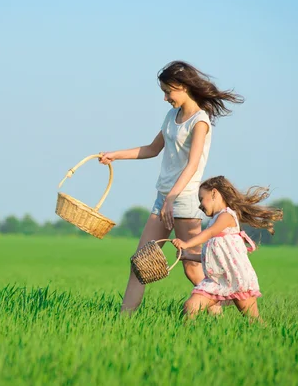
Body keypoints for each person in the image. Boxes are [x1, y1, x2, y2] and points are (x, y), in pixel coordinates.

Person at [98, 61, 244, 313]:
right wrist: (114, 155)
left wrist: (171, 199)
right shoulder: (171, 117)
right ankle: (122, 321)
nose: (165, 98)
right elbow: (152, 149)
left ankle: (219, 314)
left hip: (186, 201)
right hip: (163, 198)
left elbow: (192, 165)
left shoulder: (200, 121)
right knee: (140, 262)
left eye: (168, 91)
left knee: (192, 266)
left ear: (184, 87)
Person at [171, 176, 283, 321]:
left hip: (236, 278)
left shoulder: (226, 216)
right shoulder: (213, 222)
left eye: (201, 199)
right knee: (190, 307)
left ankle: (267, 336)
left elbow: (209, 233)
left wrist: (187, 244)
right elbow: (211, 256)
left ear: (214, 193)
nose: (200, 205)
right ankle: (187, 338)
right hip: (216, 281)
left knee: (253, 319)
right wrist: (188, 256)